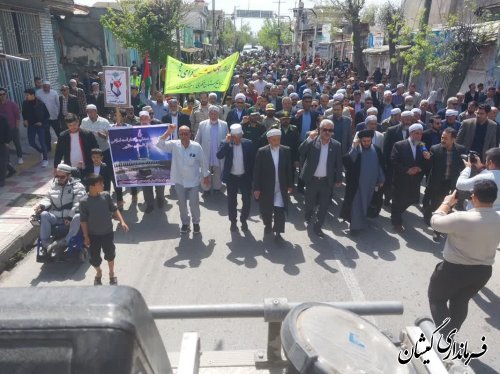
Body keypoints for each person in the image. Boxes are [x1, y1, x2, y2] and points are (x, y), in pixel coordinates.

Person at [428, 180, 500, 338]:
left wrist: (447, 203)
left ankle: (446, 335)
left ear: (473, 197)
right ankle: (450, 333)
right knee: (460, 302)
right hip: (482, 272)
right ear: (494, 198)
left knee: (437, 299)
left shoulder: (461, 217)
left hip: (453, 270)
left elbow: (435, 222)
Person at [157, 125, 210, 234]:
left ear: (190, 134)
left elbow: (203, 162)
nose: (184, 136)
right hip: (179, 181)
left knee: (194, 204)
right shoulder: (174, 145)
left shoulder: (196, 146)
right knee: (182, 204)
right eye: (181, 134)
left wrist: (205, 176)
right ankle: (185, 223)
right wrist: (168, 132)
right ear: (179, 135)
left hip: (193, 181)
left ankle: (196, 223)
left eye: (186, 133)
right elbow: (159, 144)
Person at [80, 174, 129, 286]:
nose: (103, 185)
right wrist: (86, 236)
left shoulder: (106, 196)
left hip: (107, 233)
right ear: (91, 187)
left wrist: (122, 221)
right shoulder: (84, 202)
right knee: (94, 258)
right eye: (100, 184)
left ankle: (112, 274)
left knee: (110, 254)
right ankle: (99, 272)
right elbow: (83, 220)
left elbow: (114, 209)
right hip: (93, 235)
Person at [299, 119, 343, 237]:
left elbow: (338, 164)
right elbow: (301, 151)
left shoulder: (336, 145)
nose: (327, 132)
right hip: (312, 180)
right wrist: (309, 139)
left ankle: (318, 227)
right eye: (325, 130)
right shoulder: (312, 141)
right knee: (309, 203)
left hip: (326, 181)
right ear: (319, 130)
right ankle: (308, 215)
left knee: (324, 206)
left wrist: (339, 179)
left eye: (330, 130)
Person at [35, 163, 86, 258]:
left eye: (62, 177)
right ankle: (46, 244)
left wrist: (70, 217)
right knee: (44, 214)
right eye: (57, 176)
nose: (59, 179)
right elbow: (48, 199)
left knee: (78, 216)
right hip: (56, 217)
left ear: (69, 176)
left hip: (69, 218)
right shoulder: (53, 185)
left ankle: (65, 241)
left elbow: (77, 203)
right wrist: (42, 206)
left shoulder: (78, 187)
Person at [341, 129, 385, 235]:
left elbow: (380, 166)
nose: (366, 143)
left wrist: (381, 179)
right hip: (357, 184)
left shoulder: (377, 149)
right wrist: (354, 147)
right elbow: (347, 162)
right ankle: (354, 227)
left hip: (371, 184)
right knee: (356, 204)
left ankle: (362, 222)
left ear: (371, 140)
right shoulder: (357, 149)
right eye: (364, 141)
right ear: (360, 140)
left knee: (366, 203)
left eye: (368, 141)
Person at [253, 128, 293, 242]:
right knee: (266, 210)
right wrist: (256, 188)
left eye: (278, 140)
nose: (276, 142)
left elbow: (289, 170)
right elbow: (257, 171)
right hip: (266, 187)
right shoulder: (262, 151)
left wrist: (290, 184)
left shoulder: (286, 150)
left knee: (279, 210)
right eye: (274, 140)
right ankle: (267, 225)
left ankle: (278, 233)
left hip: (281, 186)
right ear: (269, 140)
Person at [423, 128, 465, 235]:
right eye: (442, 137)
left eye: (446, 138)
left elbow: (462, 166)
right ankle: (436, 228)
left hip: (450, 183)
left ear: (453, 139)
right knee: (436, 204)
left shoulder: (460, 150)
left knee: (448, 205)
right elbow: (428, 167)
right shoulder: (435, 149)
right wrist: (427, 159)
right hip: (437, 182)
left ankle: (441, 224)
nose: (443, 140)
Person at [390, 123, 431, 231]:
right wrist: (407, 170)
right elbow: (394, 161)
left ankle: (398, 212)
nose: (419, 136)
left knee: (411, 200)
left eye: (420, 134)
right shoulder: (399, 145)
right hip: (401, 179)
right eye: (416, 133)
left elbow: (425, 163)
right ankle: (396, 222)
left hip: (415, 180)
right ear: (410, 133)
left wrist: (425, 161)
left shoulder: (422, 145)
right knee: (397, 201)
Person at [217, 124, 255, 232]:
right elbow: (219, 155)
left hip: (245, 177)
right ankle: (233, 222)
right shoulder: (225, 143)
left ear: (242, 135)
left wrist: (254, 180)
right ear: (231, 136)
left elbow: (253, 162)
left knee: (247, 201)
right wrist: (228, 143)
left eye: (239, 137)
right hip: (231, 178)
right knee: (232, 201)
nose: (237, 140)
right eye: (234, 138)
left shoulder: (248, 143)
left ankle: (244, 220)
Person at [194, 105, 228, 195]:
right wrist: (194, 149)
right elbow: (197, 139)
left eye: (215, 114)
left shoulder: (224, 125)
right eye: (211, 114)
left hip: (218, 152)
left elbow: (227, 139)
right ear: (209, 114)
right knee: (205, 170)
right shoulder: (202, 124)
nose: (213, 116)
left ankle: (217, 187)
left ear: (218, 114)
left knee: (218, 170)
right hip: (206, 152)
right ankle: (206, 189)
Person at [382, 110, 413, 206]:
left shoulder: (412, 131)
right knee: (390, 183)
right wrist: (386, 163)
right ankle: (387, 198)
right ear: (401, 119)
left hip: (406, 164)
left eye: (409, 119)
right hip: (392, 163)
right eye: (406, 119)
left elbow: (418, 144)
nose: (408, 121)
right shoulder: (391, 130)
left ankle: (398, 201)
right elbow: (386, 148)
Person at [22, 88, 49, 167]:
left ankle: (45, 159)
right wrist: (25, 120)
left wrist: (42, 122)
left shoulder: (40, 103)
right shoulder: (25, 103)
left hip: (40, 126)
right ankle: (41, 151)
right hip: (31, 125)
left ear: (33, 95)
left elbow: (47, 115)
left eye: (27, 95)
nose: (26, 97)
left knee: (42, 142)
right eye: (25, 95)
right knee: (31, 142)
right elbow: (24, 113)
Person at [0, 87, 23, 165]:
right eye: (0, 94)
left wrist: (16, 127)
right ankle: (8, 161)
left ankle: (20, 157)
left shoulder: (11, 104)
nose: (2, 96)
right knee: (5, 146)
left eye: (4, 94)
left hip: (13, 127)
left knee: (17, 143)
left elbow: (17, 116)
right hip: (3, 131)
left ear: (6, 94)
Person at [36, 81, 60, 152]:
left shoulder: (54, 93)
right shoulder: (38, 93)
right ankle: (48, 147)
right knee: (46, 132)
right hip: (45, 117)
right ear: (42, 87)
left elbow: (58, 104)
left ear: (50, 87)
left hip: (54, 115)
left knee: (58, 131)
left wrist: (58, 114)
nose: (46, 88)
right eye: (45, 87)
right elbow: (37, 104)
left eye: (48, 87)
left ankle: (63, 144)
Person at [0, 115, 12, 187]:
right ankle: (11, 169)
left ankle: (1, 180)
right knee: (2, 162)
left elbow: (8, 130)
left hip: (2, 143)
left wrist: (7, 141)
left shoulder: (3, 118)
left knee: (2, 162)